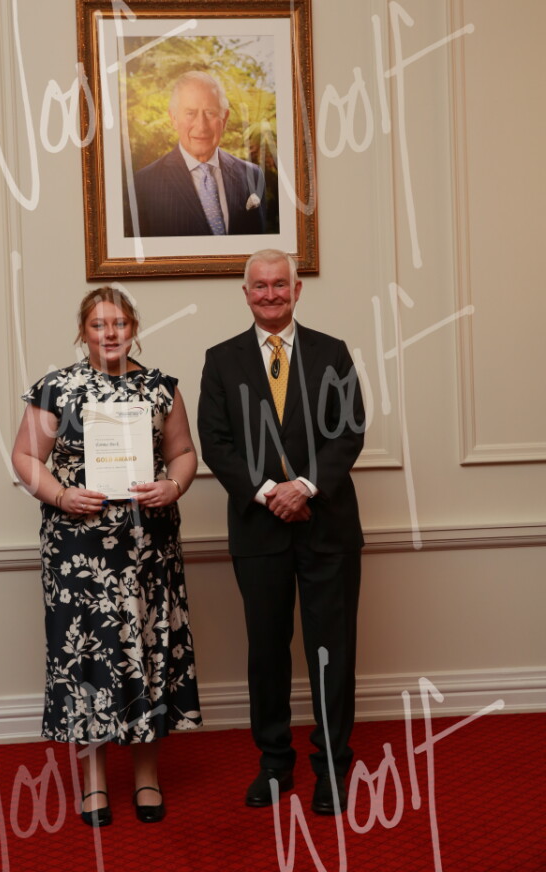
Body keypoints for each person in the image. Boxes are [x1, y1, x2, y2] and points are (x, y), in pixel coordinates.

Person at [11, 287, 201, 827]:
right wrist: (60, 496)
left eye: (119, 323)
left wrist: (173, 486)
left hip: (148, 549)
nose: (110, 333)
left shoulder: (161, 388)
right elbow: (24, 456)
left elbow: (184, 453)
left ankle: (147, 775)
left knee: (148, 653)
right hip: (78, 551)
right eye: (99, 325)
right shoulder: (56, 387)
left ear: (134, 327)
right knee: (86, 660)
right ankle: (93, 781)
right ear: (84, 332)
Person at [197, 249, 364, 815]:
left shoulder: (332, 353)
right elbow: (215, 442)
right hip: (258, 530)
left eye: (280, 284)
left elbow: (349, 432)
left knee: (331, 653)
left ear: (297, 290)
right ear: (245, 293)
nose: (270, 294)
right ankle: (274, 763)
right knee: (266, 652)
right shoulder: (220, 360)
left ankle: (332, 768)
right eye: (260, 286)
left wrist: (306, 488)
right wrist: (271, 492)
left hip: (328, 529)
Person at [131, 71, 268, 237]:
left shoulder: (252, 176)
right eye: (190, 113)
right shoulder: (143, 184)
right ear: (173, 118)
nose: (201, 126)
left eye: (210, 113)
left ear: (224, 119)